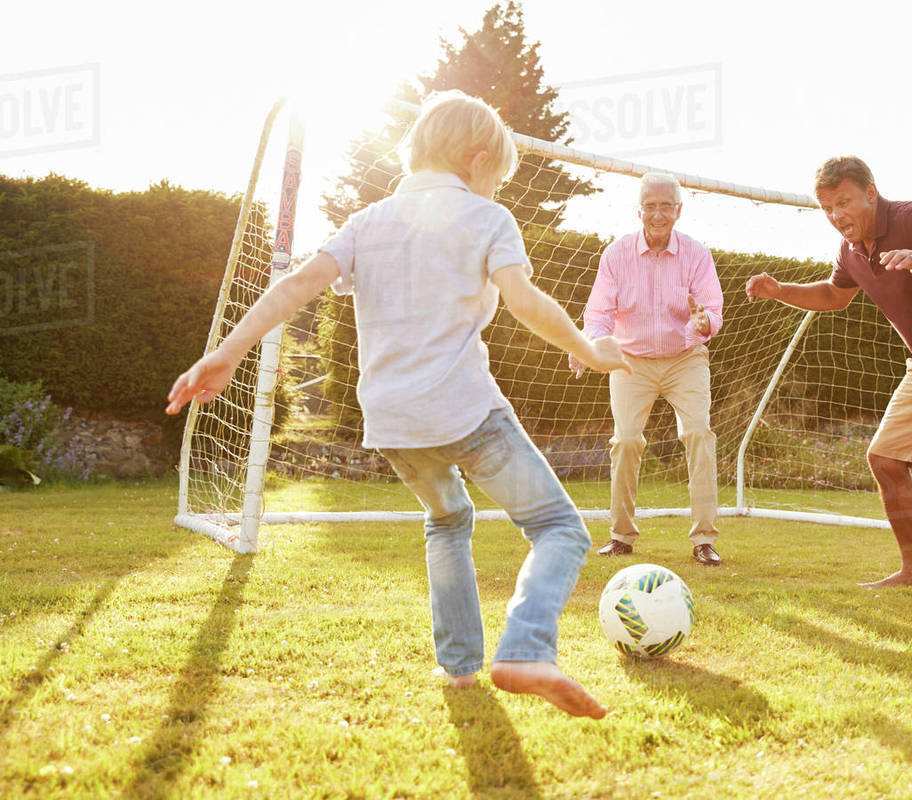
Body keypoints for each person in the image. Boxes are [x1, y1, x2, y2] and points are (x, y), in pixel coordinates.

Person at [166, 90, 629, 717]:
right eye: (498, 176)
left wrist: (227, 352)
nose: (496, 189)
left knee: (447, 520)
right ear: (477, 156)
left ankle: (461, 669)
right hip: (466, 414)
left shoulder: (368, 221)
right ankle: (525, 647)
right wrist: (589, 349)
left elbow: (298, 283)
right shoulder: (488, 220)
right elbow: (523, 301)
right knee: (558, 528)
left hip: (394, 425)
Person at [745, 156, 912, 612]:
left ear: (871, 193)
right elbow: (834, 295)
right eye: (828, 208)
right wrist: (781, 290)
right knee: (886, 459)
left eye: (845, 202)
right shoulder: (851, 251)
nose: (837, 216)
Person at [570, 173, 724, 566]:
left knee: (699, 435)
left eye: (665, 206)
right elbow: (600, 313)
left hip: (684, 358)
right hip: (631, 361)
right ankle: (621, 536)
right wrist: (589, 348)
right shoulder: (616, 255)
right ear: (639, 209)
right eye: (650, 206)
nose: (658, 214)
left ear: (678, 210)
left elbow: (711, 315)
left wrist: (702, 320)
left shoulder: (696, 254)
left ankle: (704, 540)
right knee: (625, 441)